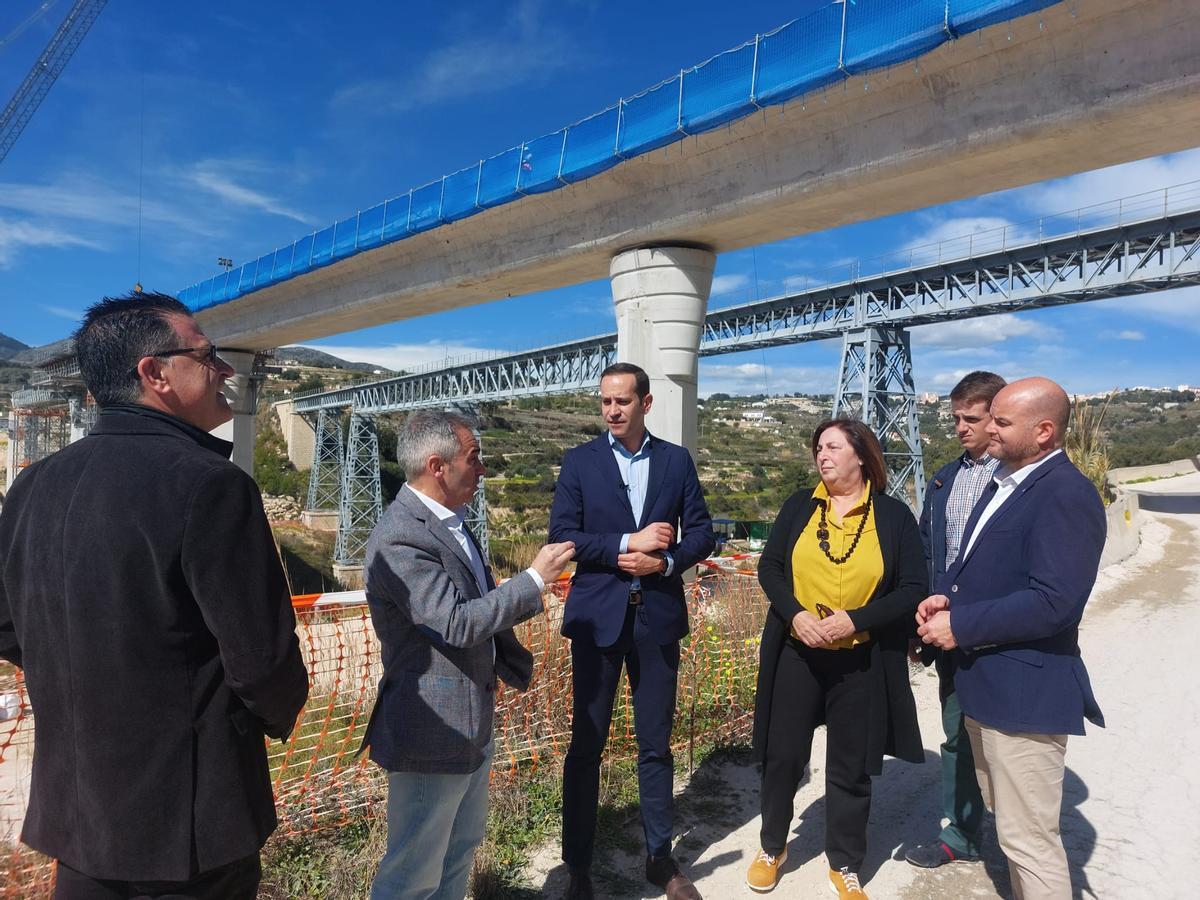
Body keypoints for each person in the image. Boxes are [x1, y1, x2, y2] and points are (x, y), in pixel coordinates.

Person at [0, 292, 309, 899]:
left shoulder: (32, 486)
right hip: (189, 828)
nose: (225, 370)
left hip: (78, 822)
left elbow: (7, 626)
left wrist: (85, 683)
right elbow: (263, 660)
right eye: (208, 355)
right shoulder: (211, 486)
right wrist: (263, 720)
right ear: (155, 373)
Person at [362, 409, 574, 900]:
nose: (483, 469)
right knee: (413, 871)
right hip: (431, 731)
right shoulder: (402, 536)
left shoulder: (447, 523)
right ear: (438, 466)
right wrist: (535, 579)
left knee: (458, 851)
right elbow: (456, 622)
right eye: (475, 458)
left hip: (468, 722)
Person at [917, 377, 1105, 900]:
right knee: (1012, 829)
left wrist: (962, 626)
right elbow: (994, 572)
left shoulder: (1065, 493)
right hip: (990, 688)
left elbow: (1055, 602)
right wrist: (950, 600)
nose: (986, 431)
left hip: (1024, 696)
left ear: (1044, 431)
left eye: (1001, 422)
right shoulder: (1008, 482)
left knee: (1029, 842)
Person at [549, 363, 714, 900]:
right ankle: (578, 865)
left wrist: (664, 564)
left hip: (657, 620)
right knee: (586, 745)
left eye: (622, 401)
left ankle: (659, 859)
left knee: (655, 746)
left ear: (646, 403)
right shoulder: (579, 463)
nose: (612, 410)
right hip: (598, 620)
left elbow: (703, 533)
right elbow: (564, 538)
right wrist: (628, 544)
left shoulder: (676, 461)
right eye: (605, 402)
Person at [748, 419, 926, 898]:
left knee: (850, 765)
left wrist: (857, 620)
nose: (822, 456)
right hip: (797, 652)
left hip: (859, 659)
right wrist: (796, 615)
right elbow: (770, 567)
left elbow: (912, 588)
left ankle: (844, 862)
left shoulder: (893, 517)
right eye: (818, 448)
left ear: (861, 455)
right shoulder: (799, 507)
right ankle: (772, 846)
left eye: (832, 447)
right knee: (782, 755)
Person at [906, 371, 1005, 869]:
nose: (961, 428)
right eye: (956, 419)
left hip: (1001, 634)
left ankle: (1020, 844)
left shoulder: (1017, 479)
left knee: (1008, 746)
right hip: (947, 634)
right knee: (954, 735)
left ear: (999, 416)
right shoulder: (945, 478)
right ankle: (961, 834)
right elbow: (928, 554)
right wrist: (918, 619)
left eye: (972, 418)